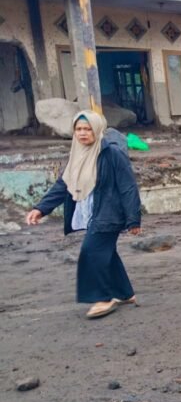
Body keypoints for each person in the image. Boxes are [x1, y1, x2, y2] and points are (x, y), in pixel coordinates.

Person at [25, 111, 141, 319]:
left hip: (110, 213)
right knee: (106, 253)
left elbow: (128, 187)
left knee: (91, 252)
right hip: (90, 212)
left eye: (87, 129)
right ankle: (124, 293)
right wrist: (41, 208)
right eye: (78, 129)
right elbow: (63, 185)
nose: (82, 133)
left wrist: (133, 219)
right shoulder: (77, 156)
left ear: (97, 130)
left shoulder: (112, 154)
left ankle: (103, 298)